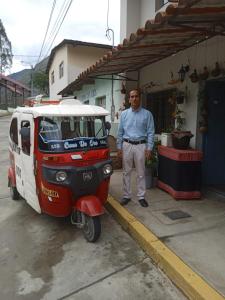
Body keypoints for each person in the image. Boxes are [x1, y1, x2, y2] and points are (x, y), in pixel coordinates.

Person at [117, 89, 155, 207]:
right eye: (132, 97)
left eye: (136, 96)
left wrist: (149, 148)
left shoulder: (147, 114)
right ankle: (127, 195)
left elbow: (151, 132)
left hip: (140, 145)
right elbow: (120, 132)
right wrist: (119, 147)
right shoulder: (124, 114)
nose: (134, 99)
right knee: (126, 172)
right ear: (129, 99)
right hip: (127, 144)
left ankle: (141, 196)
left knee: (141, 172)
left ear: (140, 98)